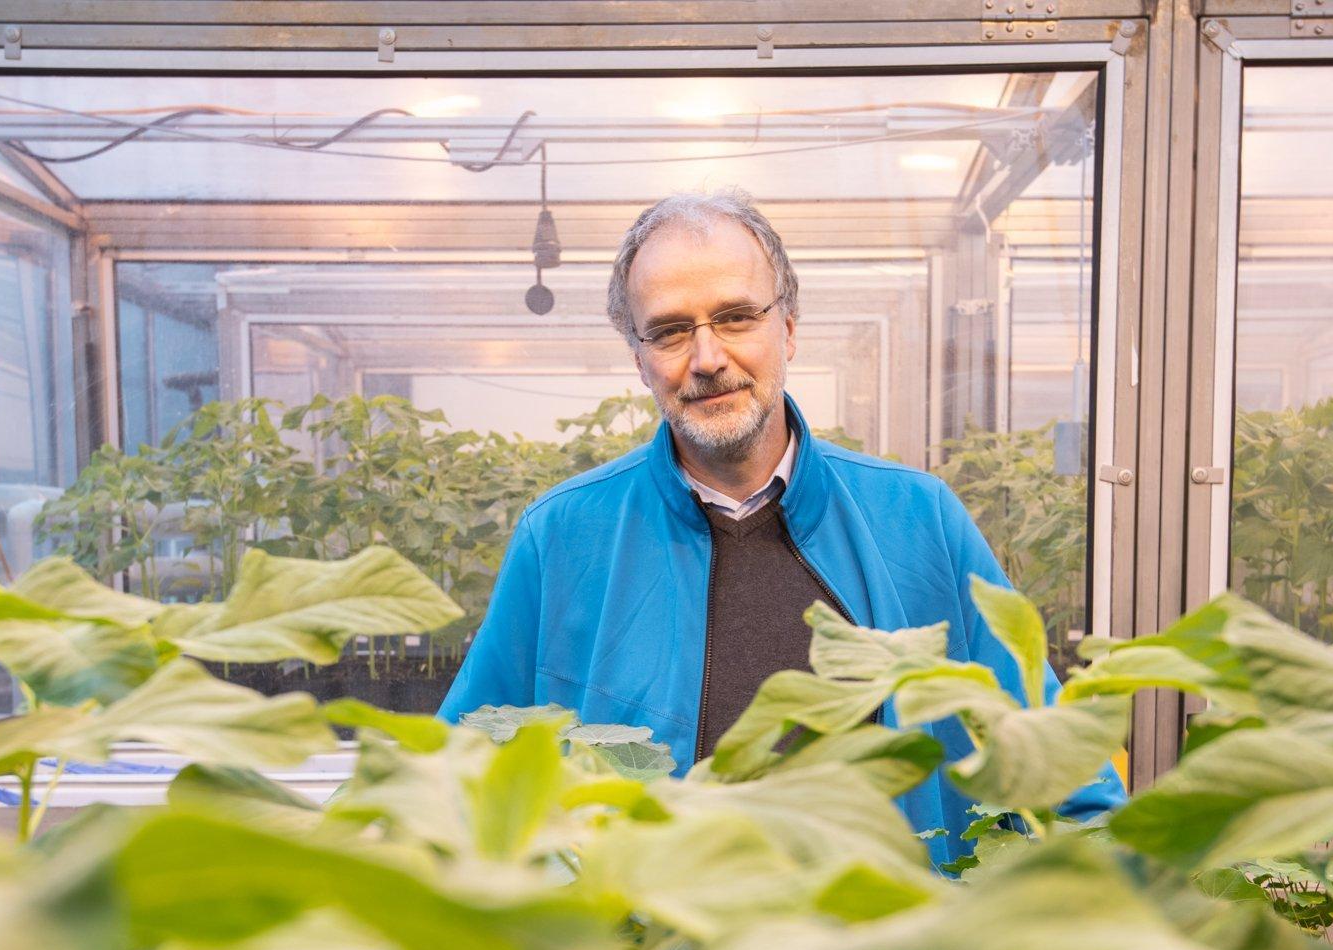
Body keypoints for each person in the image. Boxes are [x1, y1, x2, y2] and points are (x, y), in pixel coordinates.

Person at [439, 189, 1124, 863]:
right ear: (639, 356)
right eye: (672, 330)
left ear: (788, 328)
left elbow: (1071, 786)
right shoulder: (563, 539)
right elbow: (453, 788)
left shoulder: (919, 521)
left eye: (736, 317)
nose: (707, 357)